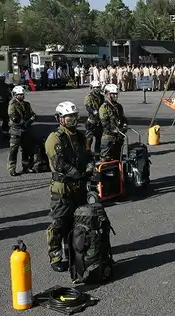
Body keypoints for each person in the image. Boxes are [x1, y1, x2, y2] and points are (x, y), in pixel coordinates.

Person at [45, 101, 89, 273]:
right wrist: (77, 173)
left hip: (79, 187)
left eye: (74, 117)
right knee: (59, 223)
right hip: (61, 187)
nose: (72, 120)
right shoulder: (54, 138)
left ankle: (74, 249)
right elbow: (59, 164)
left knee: (80, 221)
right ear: (60, 119)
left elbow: (87, 155)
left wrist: (91, 168)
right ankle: (55, 256)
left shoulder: (80, 136)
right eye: (68, 117)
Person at [7, 85, 37, 175]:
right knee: (13, 150)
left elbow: (33, 114)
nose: (22, 96)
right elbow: (13, 116)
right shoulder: (12, 105)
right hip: (16, 129)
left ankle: (26, 167)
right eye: (20, 95)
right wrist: (23, 122)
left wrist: (30, 120)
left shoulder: (27, 104)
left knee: (27, 149)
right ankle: (12, 169)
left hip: (25, 130)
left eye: (23, 94)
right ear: (15, 95)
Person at [98, 83, 126, 161]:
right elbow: (105, 124)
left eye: (116, 94)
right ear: (107, 94)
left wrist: (124, 126)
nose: (115, 96)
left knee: (117, 158)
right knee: (105, 160)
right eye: (113, 94)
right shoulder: (104, 107)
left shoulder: (119, 106)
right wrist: (114, 130)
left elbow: (123, 118)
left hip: (119, 136)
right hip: (108, 138)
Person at [83, 78, 104, 157]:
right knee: (89, 137)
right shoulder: (89, 97)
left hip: (100, 121)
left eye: (98, 87)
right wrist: (94, 111)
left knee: (99, 138)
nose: (97, 89)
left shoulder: (101, 97)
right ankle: (87, 151)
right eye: (96, 87)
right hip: (92, 121)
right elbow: (88, 106)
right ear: (92, 88)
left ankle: (97, 153)